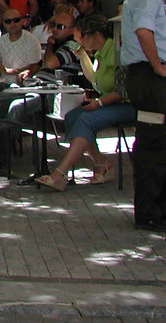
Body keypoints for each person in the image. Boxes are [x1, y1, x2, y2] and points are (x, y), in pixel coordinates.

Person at [36, 15, 135, 191]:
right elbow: (95, 80)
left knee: (86, 120)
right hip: (109, 103)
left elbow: (123, 90)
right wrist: (81, 54)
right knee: (73, 116)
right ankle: (101, 163)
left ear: (94, 35)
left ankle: (59, 174)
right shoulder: (99, 53)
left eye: (81, 36)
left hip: (128, 104)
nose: (78, 40)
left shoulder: (116, 52)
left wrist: (99, 103)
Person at [120, 0, 166, 231]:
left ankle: (156, 208)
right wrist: (158, 66)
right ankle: (150, 212)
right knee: (153, 141)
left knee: (159, 141)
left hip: (150, 74)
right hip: (148, 76)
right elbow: (143, 32)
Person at [8, 6, 79, 125]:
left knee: (17, 106)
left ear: (72, 30)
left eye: (60, 27)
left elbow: (51, 63)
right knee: (0, 96)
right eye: (54, 25)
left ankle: (7, 140)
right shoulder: (57, 44)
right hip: (35, 85)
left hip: (50, 94)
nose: (55, 29)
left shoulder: (73, 46)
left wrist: (49, 45)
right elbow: (42, 65)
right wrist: (30, 73)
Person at [0, 8, 43, 79]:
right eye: (8, 21)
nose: (12, 24)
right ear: (3, 24)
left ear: (22, 21)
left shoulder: (31, 40)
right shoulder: (0, 41)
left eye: (16, 20)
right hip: (2, 85)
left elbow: (35, 67)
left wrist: (9, 71)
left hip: (24, 85)